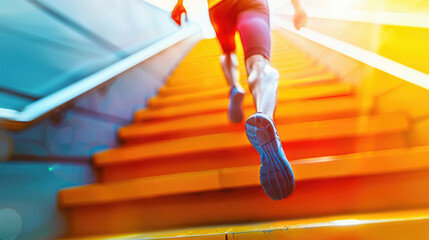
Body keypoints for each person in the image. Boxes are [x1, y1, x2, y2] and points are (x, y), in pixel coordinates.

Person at [171, 0, 307, 200]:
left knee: (227, 52)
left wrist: (179, 4)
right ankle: (264, 117)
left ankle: (234, 86)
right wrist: (297, 7)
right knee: (258, 62)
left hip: (218, 8)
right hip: (250, 2)